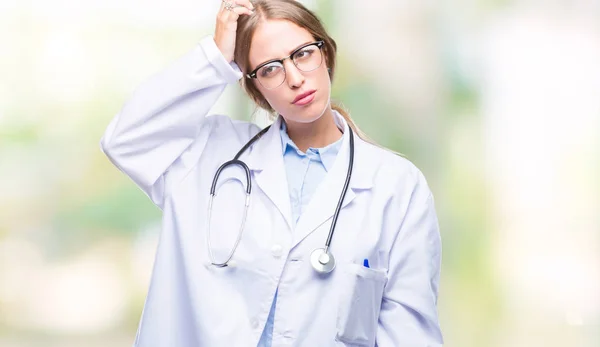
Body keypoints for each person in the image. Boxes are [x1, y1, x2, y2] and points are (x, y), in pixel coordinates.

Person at [100, 0, 443, 346]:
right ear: (254, 88)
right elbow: (125, 141)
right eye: (269, 69)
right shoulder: (208, 156)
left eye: (303, 53)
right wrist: (215, 59)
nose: (295, 79)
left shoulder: (397, 186)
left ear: (327, 53)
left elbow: (409, 335)